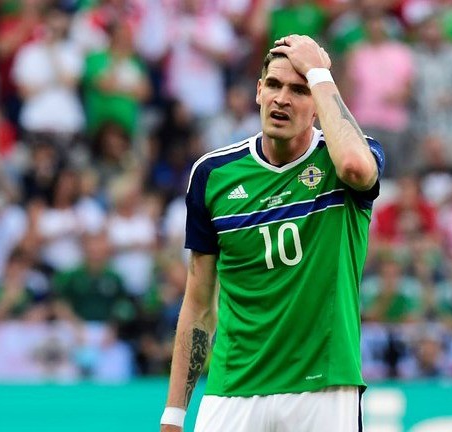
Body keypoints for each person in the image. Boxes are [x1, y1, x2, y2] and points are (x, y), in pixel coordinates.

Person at [160, 34, 385, 432]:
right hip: (232, 390)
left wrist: (319, 73)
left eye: (299, 90)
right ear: (259, 91)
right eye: (275, 85)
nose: (282, 99)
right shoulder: (213, 175)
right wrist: (174, 415)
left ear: (318, 103)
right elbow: (198, 305)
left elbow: (355, 167)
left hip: (323, 387)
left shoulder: (347, 156)